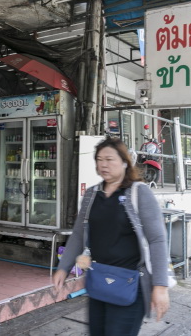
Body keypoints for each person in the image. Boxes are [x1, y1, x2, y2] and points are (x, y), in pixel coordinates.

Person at [53, 137, 170, 336]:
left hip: (131, 283)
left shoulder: (139, 193)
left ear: (124, 162)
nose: (103, 165)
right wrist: (63, 267)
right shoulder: (92, 195)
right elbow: (79, 234)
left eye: (109, 159)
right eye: (99, 160)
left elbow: (157, 239)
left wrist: (160, 286)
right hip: (99, 280)